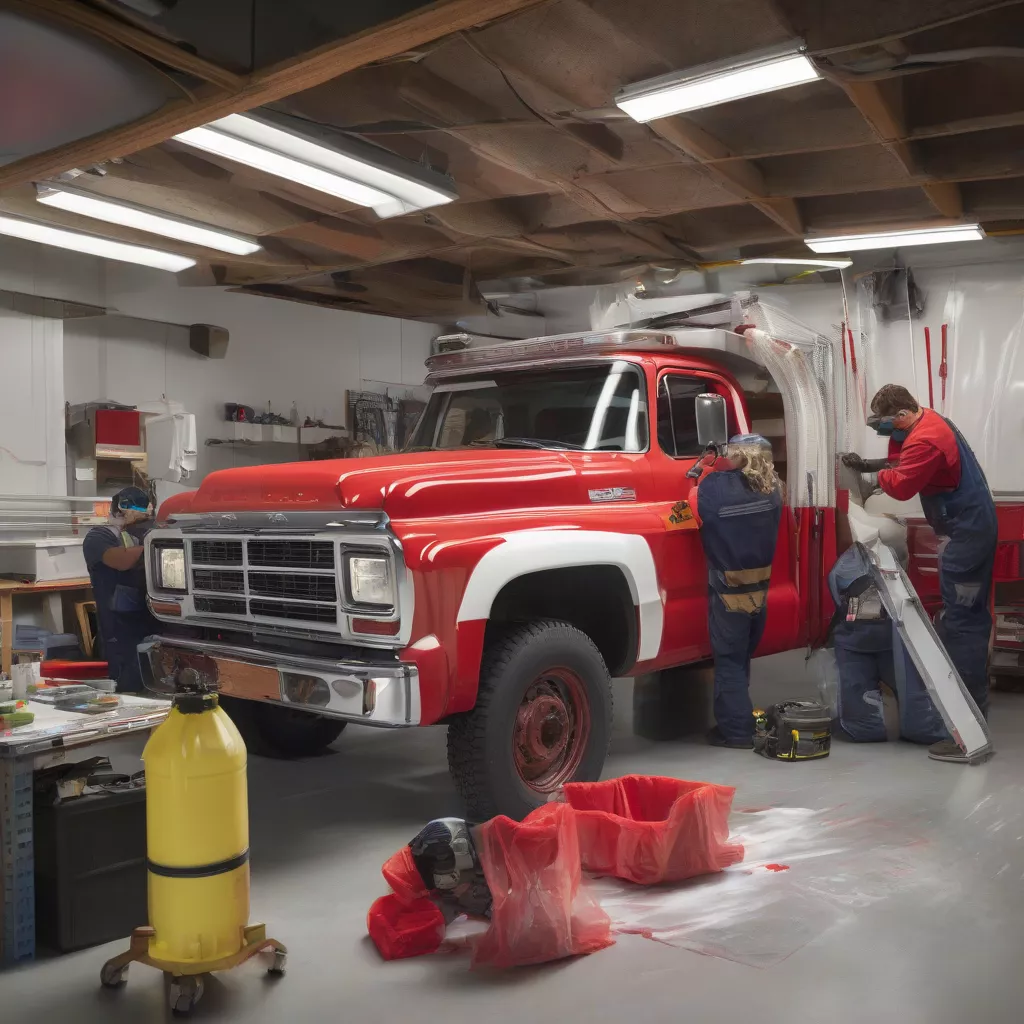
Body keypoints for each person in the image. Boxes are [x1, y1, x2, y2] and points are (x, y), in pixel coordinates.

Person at [843, 384, 998, 762]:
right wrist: (876, 463)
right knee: (966, 620)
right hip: (966, 527)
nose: (884, 432)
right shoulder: (925, 420)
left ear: (902, 416)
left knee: (962, 624)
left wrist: (873, 477)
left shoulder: (925, 440)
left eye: (884, 425)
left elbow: (902, 486)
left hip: (968, 533)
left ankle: (969, 729)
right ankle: (973, 714)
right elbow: (903, 460)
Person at [694, 434, 783, 748]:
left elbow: (684, 509)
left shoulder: (714, 487)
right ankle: (740, 719)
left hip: (727, 593)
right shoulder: (773, 489)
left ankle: (736, 731)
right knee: (742, 657)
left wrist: (702, 468)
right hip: (760, 592)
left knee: (729, 660)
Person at [827, 543, 947, 745]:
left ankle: (869, 722)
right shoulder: (886, 559)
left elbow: (837, 600)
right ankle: (920, 725)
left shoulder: (846, 567)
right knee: (911, 690)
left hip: (857, 638)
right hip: (889, 637)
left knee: (862, 718)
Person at [83, 486, 159, 693]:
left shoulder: (151, 531)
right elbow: (121, 560)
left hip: (151, 619)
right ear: (118, 511)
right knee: (127, 684)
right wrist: (159, 545)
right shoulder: (98, 536)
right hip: (119, 626)